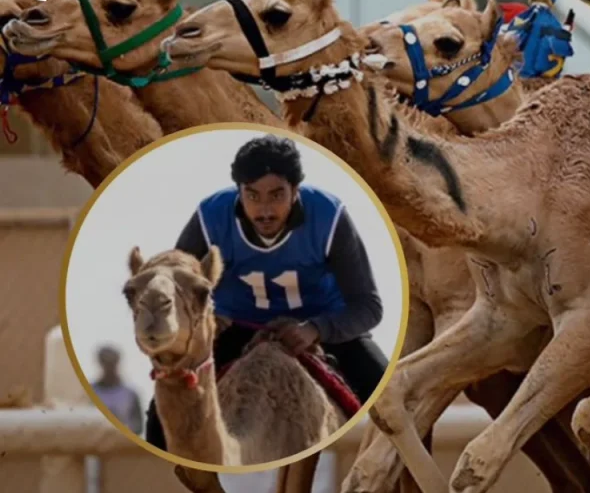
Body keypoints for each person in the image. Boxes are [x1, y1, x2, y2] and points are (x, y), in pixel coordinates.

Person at [144, 134, 388, 451]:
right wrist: (209, 319)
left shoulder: (329, 217)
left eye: (276, 195)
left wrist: (316, 329)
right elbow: (178, 291)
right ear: (239, 191)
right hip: (235, 328)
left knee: (394, 397)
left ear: (295, 190)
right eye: (253, 196)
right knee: (158, 422)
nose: (265, 210)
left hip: (323, 328)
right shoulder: (210, 218)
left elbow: (368, 306)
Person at [91, 345, 144, 435]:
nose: (109, 367)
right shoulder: (90, 392)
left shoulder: (130, 394)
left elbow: (138, 425)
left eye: (112, 363)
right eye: (106, 363)